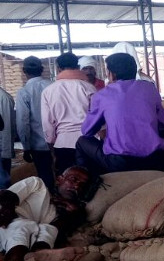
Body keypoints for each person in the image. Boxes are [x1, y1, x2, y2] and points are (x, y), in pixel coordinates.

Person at [75, 53, 164, 175]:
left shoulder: (102, 95)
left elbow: (87, 130)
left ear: (112, 74)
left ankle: (90, 180)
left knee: (82, 141)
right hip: (155, 159)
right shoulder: (150, 88)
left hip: (120, 162)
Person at [42, 52, 96, 177]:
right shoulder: (89, 88)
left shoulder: (48, 91)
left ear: (58, 69)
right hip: (89, 142)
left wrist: (51, 145)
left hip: (63, 143)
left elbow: (47, 123)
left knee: (67, 182)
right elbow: (97, 118)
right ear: (78, 67)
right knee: (90, 179)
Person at [15, 56, 54, 192]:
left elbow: (22, 122)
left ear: (24, 71)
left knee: (46, 177)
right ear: (42, 69)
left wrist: (26, 147)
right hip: (59, 142)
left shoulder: (24, 92)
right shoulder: (53, 86)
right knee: (65, 174)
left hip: (39, 145)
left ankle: (50, 200)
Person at [0, 178, 58, 261]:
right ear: (59, 180)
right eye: (73, 179)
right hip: (8, 224)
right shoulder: (38, 184)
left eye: (79, 188)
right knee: (22, 226)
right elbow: (5, 197)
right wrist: (6, 212)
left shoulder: (58, 211)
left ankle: (36, 259)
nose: (76, 186)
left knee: (50, 230)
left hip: (31, 232)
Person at [0, 84, 12, 187]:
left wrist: (6, 151)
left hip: (3, 149)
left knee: (3, 182)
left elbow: (5, 127)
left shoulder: (3, 97)